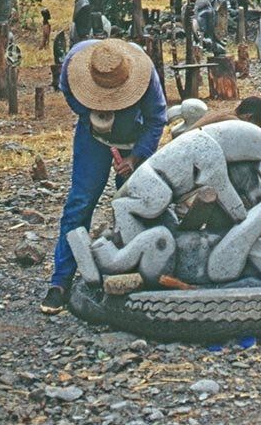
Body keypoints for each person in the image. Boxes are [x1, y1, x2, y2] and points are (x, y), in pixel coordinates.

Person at [40, 38, 167, 314]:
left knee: (135, 207)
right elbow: (69, 93)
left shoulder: (144, 76)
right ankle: (61, 281)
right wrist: (92, 114)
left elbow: (158, 118)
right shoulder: (74, 66)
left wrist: (136, 157)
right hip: (92, 139)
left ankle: (137, 272)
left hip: (134, 136)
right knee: (80, 204)